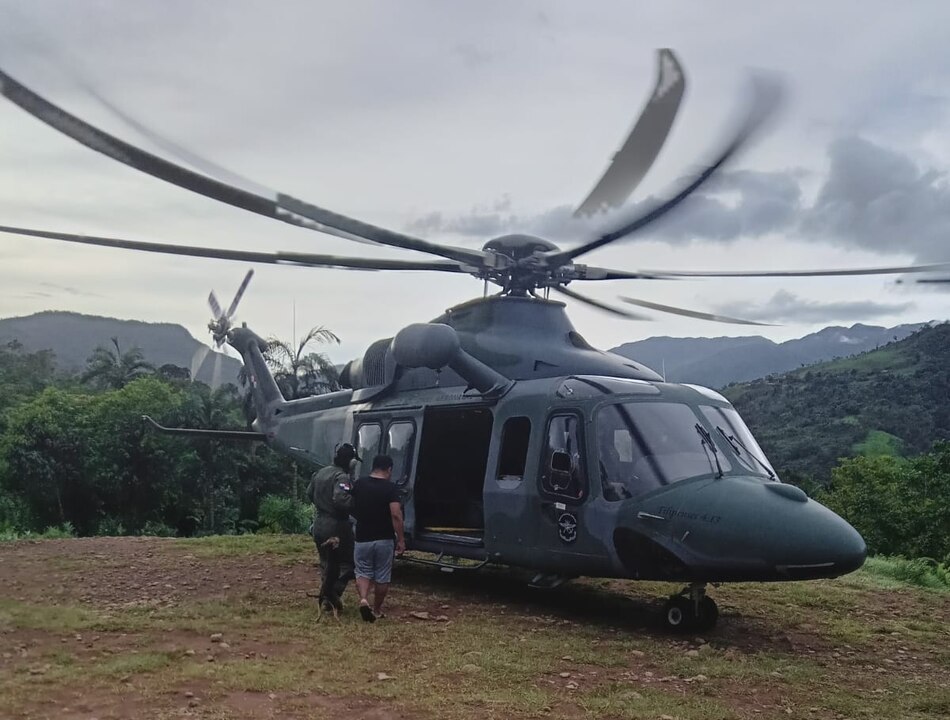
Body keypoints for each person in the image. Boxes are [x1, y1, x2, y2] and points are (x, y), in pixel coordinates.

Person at [350, 454, 406, 622]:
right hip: (384, 539)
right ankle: (377, 609)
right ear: (389, 469)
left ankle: (363, 599)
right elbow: (396, 514)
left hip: (362, 537)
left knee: (362, 571)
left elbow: (351, 505)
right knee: (382, 575)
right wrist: (401, 540)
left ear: (373, 467)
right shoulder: (391, 489)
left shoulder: (359, 484)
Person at [306, 443, 360, 615]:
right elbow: (340, 500)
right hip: (337, 525)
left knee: (326, 562)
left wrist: (323, 507)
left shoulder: (320, 472)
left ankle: (326, 597)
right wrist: (357, 504)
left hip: (319, 523)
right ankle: (331, 593)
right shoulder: (341, 477)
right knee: (348, 563)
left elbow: (309, 493)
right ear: (350, 462)